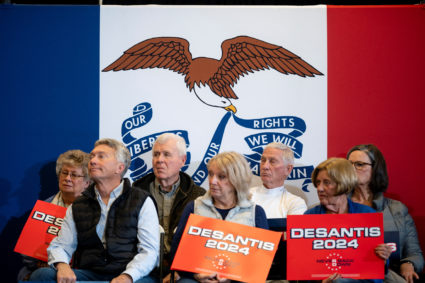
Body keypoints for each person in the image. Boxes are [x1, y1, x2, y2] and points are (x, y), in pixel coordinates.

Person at [29, 138, 159, 283]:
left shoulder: (141, 200)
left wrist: (128, 276)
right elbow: (61, 244)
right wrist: (62, 265)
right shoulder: (79, 204)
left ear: (119, 168)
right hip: (90, 274)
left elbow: (149, 252)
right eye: (92, 156)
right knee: (42, 275)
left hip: (131, 275)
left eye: (101, 156)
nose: (92, 161)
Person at [167, 151, 269, 283]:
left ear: (236, 180)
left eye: (221, 177)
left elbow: (262, 261)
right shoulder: (194, 207)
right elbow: (176, 254)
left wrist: (233, 278)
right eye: (210, 174)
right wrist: (196, 275)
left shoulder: (255, 212)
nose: (212, 181)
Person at [305, 157, 392, 283]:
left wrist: (383, 257)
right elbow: (302, 269)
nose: (319, 188)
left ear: (343, 183)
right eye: (318, 183)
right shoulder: (308, 217)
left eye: (327, 182)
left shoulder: (367, 215)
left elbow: (379, 269)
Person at [347, 144, 424, 283]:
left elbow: (414, 253)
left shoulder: (397, 209)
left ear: (375, 169)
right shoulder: (336, 206)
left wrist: (409, 264)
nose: (352, 169)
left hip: (388, 276)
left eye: (359, 164)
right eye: (349, 164)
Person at [18, 149, 91, 281]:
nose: (67, 178)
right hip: (41, 267)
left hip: (79, 270)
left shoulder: (96, 209)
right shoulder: (43, 207)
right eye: (64, 173)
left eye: (74, 175)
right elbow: (27, 253)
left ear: (87, 183)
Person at [133, 133, 206, 264]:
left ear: (183, 160)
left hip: (182, 267)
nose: (159, 160)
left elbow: (201, 243)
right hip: (143, 266)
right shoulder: (136, 192)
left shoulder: (198, 196)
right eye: (156, 154)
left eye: (166, 154)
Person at [251, 142, 307, 218]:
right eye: (263, 160)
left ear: (288, 169)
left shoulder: (295, 203)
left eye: (272, 161)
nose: (265, 166)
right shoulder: (243, 196)